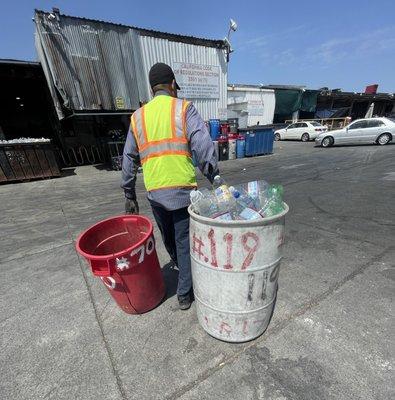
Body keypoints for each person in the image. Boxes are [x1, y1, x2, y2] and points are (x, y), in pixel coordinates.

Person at [121, 62, 218, 310]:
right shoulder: (183, 109)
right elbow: (203, 145)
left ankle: (179, 268)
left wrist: (129, 193)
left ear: (152, 88)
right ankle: (184, 293)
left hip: (155, 193)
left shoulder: (138, 117)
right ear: (172, 84)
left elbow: (129, 158)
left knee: (169, 239)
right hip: (182, 192)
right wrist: (214, 175)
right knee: (184, 241)